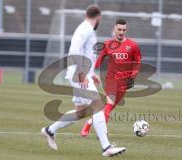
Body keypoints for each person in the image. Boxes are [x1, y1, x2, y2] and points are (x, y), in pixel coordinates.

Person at [41, 5, 126, 157]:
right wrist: (82, 74)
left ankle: (49, 130)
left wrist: (91, 73)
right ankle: (106, 147)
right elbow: (74, 51)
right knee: (98, 105)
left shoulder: (87, 29)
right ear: (98, 17)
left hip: (82, 74)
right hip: (79, 75)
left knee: (81, 112)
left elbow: (85, 53)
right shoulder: (85, 30)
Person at [81, 19, 141, 137]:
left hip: (124, 82)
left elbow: (137, 62)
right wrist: (89, 73)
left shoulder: (133, 46)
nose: (121, 32)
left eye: (123, 30)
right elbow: (98, 62)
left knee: (108, 107)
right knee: (110, 103)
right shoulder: (108, 44)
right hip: (111, 80)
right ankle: (103, 135)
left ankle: (88, 125)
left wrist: (132, 78)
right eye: (119, 29)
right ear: (114, 29)